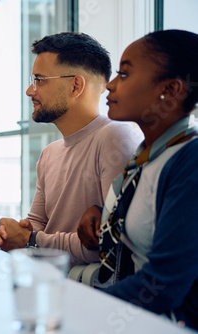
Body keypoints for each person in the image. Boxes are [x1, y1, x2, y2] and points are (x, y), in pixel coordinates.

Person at [0, 32, 142, 266]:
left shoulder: (116, 137)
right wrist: (8, 236)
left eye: (40, 80)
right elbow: (35, 224)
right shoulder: (50, 153)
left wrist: (31, 240)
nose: (30, 91)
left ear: (76, 85)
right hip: (48, 282)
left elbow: (110, 247)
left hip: (86, 294)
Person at [75, 30, 198, 330]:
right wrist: (101, 212)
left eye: (124, 73)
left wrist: (77, 309)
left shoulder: (190, 161)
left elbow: (162, 285)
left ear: (170, 89)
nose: (110, 84)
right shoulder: (150, 153)